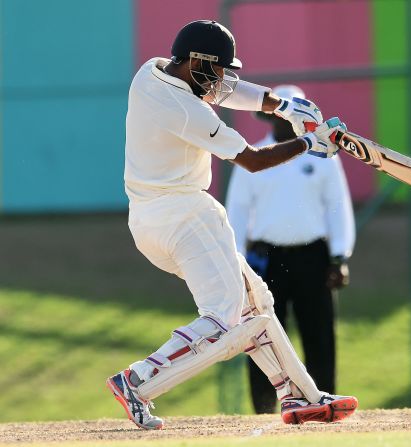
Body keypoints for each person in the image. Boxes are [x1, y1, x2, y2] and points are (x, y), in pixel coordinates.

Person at [105, 19, 358, 430]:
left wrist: (282, 105)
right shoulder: (186, 111)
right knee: (225, 321)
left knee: (255, 303)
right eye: (218, 69)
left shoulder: (150, 72)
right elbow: (254, 162)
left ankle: (301, 398)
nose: (222, 80)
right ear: (196, 61)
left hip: (154, 218)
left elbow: (228, 91)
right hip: (185, 217)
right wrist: (309, 144)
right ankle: (137, 381)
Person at [226, 85, 355, 414]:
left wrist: (340, 256)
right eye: (280, 113)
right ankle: (265, 410)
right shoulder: (253, 156)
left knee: (319, 334)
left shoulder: (322, 158)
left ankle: (324, 403)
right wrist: (236, 264)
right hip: (265, 260)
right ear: (270, 117)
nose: (287, 120)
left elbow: (337, 206)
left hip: (313, 256)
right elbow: (237, 212)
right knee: (262, 336)